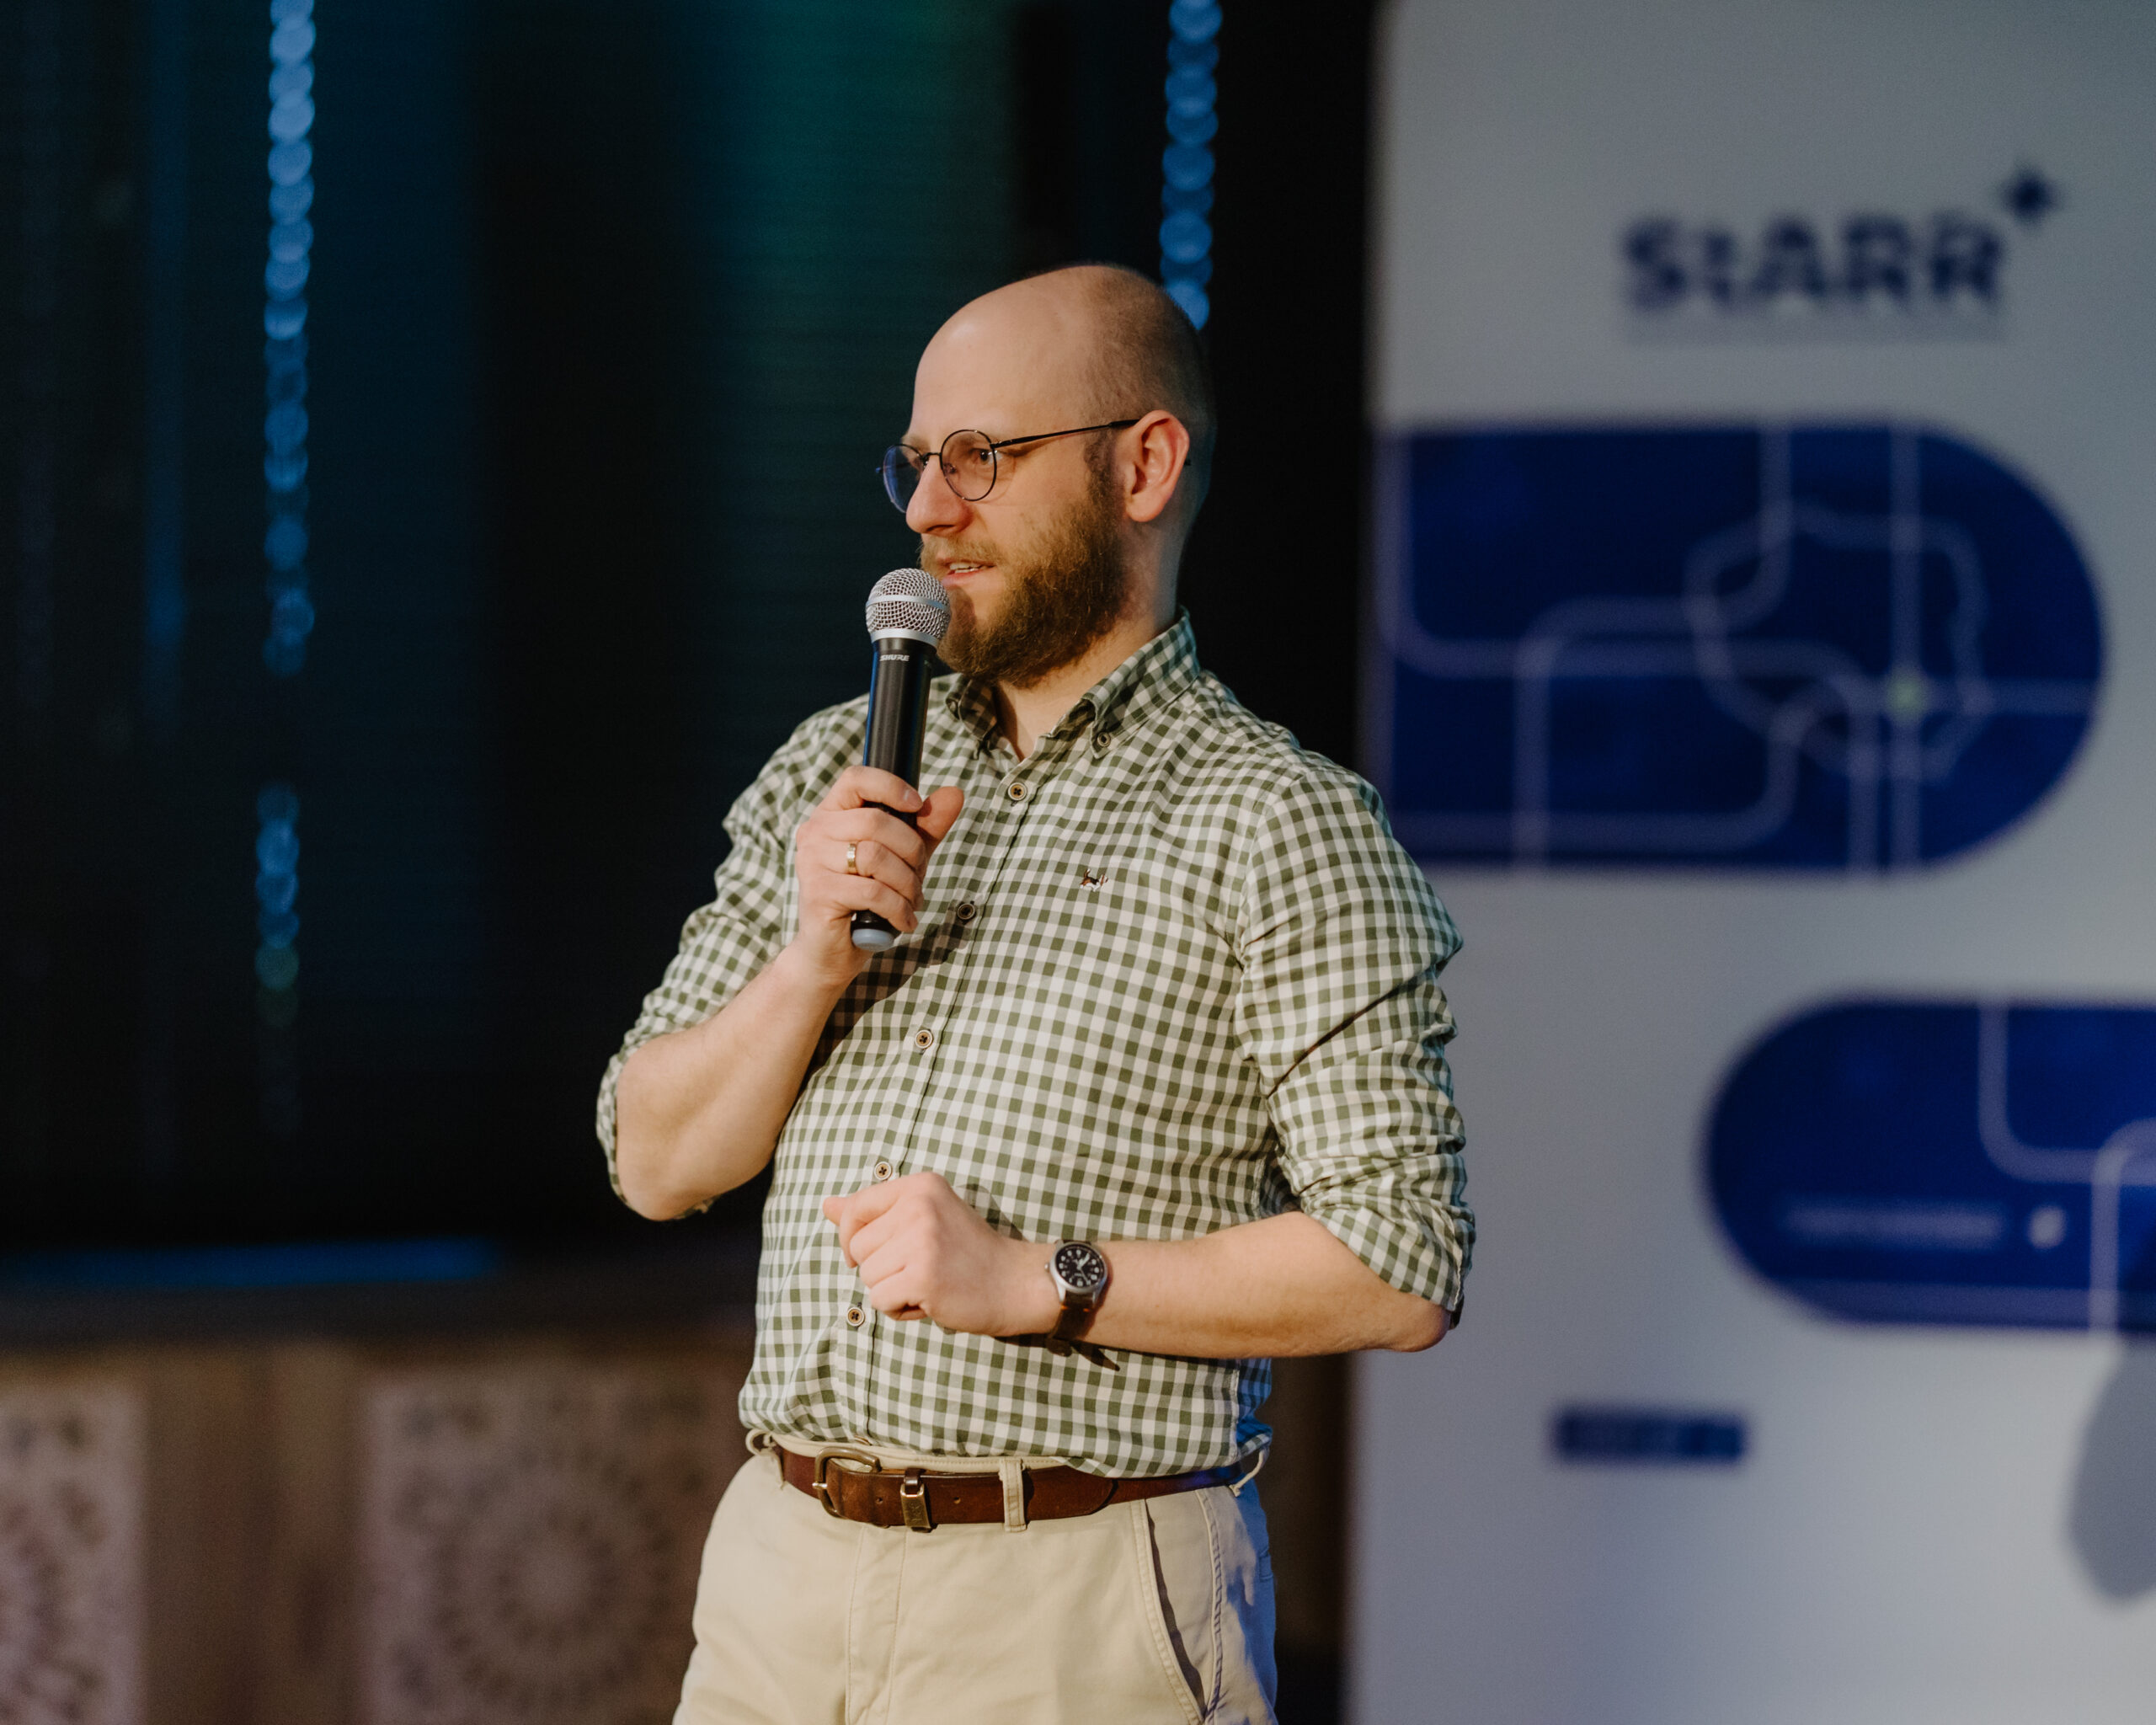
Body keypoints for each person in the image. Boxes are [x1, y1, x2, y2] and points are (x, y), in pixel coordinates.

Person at [597, 264, 1472, 1725]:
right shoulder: (834, 766)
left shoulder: (1279, 820)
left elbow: (1401, 1262)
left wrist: (1040, 1280)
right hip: (779, 1571)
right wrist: (811, 961)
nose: (930, 513)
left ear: (1144, 466)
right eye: (916, 464)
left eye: (981, 457)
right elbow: (652, 1160)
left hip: (1073, 1598)